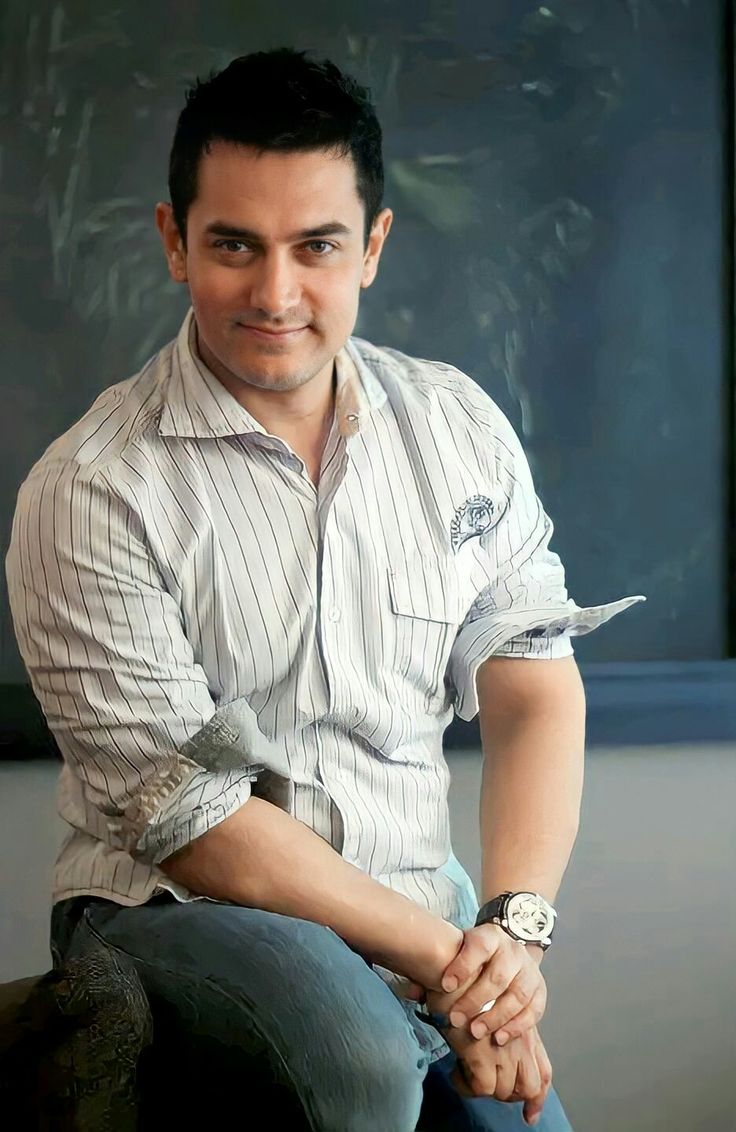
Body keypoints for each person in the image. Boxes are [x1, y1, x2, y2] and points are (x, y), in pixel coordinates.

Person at [5, 47, 644, 1131]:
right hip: (172, 902)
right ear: (174, 241)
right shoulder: (90, 488)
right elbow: (196, 822)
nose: (276, 293)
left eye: (317, 246)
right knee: (356, 1058)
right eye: (234, 246)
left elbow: (532, 690)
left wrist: (511, 935)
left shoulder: (455, 425)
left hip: (423, 908)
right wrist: (455, 967)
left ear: (373, 247)